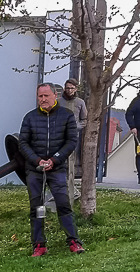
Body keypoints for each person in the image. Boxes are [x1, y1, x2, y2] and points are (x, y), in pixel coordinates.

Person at [18, 83, 83, 257]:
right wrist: (37, 160)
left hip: (57, 168)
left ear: (55, 95)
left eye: (46, 96)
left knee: (63, 204)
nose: (43, 99)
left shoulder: (66, 116)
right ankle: (39, 245)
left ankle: (74, 241)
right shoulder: (30, 117)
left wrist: (54, 160)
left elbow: (71, 141)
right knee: (37, 207)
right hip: (35, 169)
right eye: (40, 96)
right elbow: (23, 143)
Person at [59, 78, 87, 200]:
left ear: (75, 89)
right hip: (59, 136)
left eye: (71, 88)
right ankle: (59, 188)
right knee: (59, 162)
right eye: (67, 88)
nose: (69, 90)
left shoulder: (80, 103)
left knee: (71, 163)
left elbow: (84, 120)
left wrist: (75, 127)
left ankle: (71, 191)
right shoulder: (58, 102)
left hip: (72, 137)